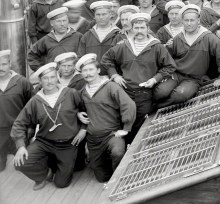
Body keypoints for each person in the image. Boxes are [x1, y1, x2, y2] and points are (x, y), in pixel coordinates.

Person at [101, 13, 176, 141]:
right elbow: (106, 59)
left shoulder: (156, 47)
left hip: (145, 92)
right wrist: (114, 75)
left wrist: (155, 79)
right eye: (136, 28)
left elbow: (170, 66)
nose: (139, 31)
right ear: (131, 29)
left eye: (142, 28)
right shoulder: (123, 46)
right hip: (126, 91)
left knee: (141, 124)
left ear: (148, 29)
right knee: (124, 121)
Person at [11, 63, 86, 190]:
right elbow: (19, 123)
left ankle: (59, 168)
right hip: (44, 142)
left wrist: (83, 129)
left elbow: (85, 111)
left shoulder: (71, 93)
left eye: (52, 77)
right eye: (45, 78)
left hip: (68, 143)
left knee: (61, 183)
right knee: (20, 162)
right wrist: (21, 146)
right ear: (40, 81)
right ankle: (45, 174)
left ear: (57, 78)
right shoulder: (35, 101)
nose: (49, 81)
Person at [75, 53, 136, 183]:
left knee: (118, 153)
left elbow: (129, 105)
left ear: (98, 70)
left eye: (91, 69)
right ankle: (106, 165)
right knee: (101, 177)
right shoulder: (82, 92)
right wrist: (78, 113)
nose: (88, 73)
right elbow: (75, 107)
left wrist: (126, 128)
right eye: (84, 71)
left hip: (112, 134)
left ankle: (118, 181)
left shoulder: (111, 87)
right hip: (93, 140)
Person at [156, 5, 220, 106]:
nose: (189, 23)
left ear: (198, 21)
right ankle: (152, 105)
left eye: (192, 20)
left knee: (180, 95)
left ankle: (158, 107)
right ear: (182, 21)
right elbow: (167, 58)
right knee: (160, 92)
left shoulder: (208, 37)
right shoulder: (178, 38)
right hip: (176, 74)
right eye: (186, 20)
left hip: (193, 79)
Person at [0, 49, 32, 171]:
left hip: (18, 128)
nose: (0, 68)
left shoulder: (22, 82)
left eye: (3, 64)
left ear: (10, 64)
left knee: (24, 164)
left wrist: (31, 126)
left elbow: (32, 105)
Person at [28, 7, 83, 73]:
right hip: (53, 76)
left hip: (73, 75)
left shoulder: (78, 36)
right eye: (58, 21)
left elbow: (84, 54)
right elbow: (32, 55)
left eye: (64, 21)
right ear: (51, 23)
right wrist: (42, 70)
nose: (62, 24)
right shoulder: (46, 39)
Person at [77, 1, 121, 72]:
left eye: (104, 14)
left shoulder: (118, 34)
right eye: (98, 14)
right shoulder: (87, 36)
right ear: (94, 16)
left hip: (113, 75)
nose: (101, 17)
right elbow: (80, 58)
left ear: (110, 14)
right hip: (92, 75)